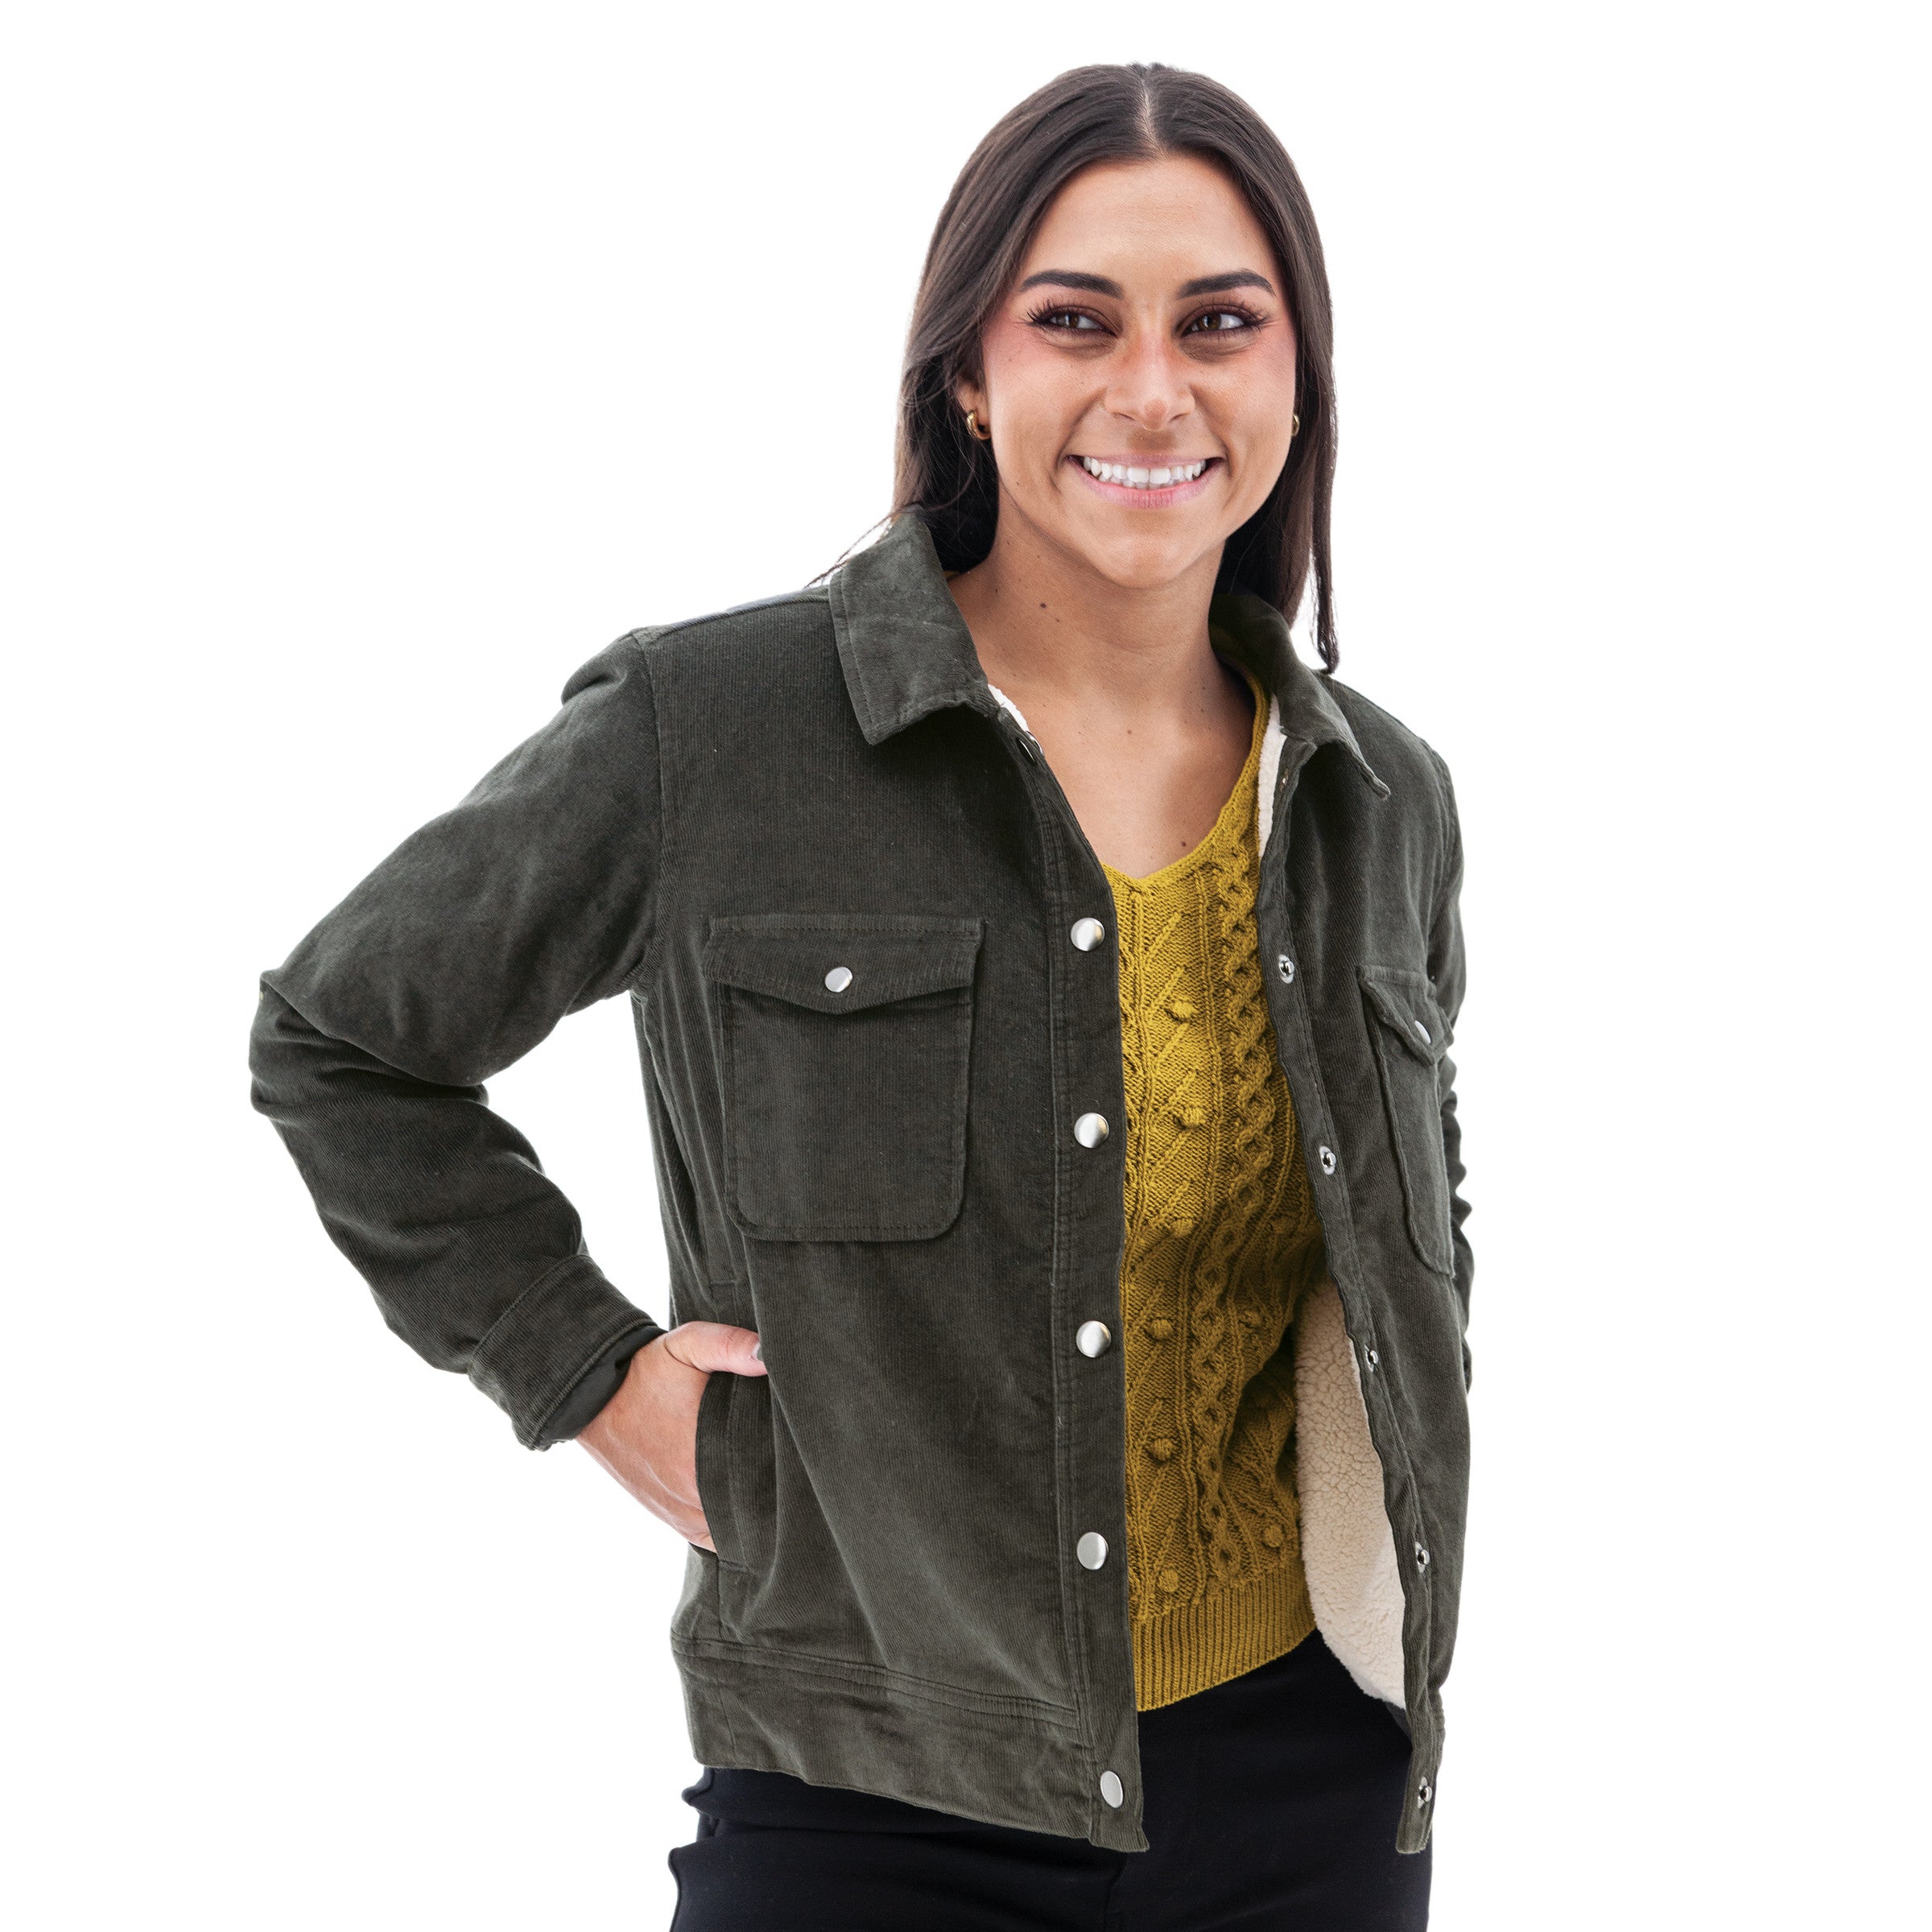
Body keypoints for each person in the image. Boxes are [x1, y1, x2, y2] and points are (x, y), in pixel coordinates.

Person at [250, 60, 1471, 1931]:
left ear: (1297, 381)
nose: (1154, 390)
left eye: (1220, 324)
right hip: (867, 1798)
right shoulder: (719, 731)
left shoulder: (1378, 798)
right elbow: (343, 1038)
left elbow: (1412, 1213)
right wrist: (586, 1370)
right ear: (969, 373)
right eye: (1078, 322)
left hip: (1313, 1789)